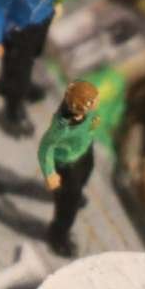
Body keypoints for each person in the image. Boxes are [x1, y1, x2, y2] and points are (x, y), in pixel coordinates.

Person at [0, 0, 78, 137]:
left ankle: (16, 84)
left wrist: (54, 8)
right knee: (18, 69)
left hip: (39, 26)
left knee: (32, 57)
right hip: (18, 32)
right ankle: (13, 107)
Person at [37, 80, 100, 258]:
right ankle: (58, 234)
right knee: (68, 201)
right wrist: (50, 173)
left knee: (85, 175)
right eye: (91, 102)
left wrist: (92, 130)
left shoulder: (89, 113)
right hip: (66, 164)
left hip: (84, 152)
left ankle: (77, 193)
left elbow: (93, 121)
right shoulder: (61, 127)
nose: (95, 104)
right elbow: (45, 149)